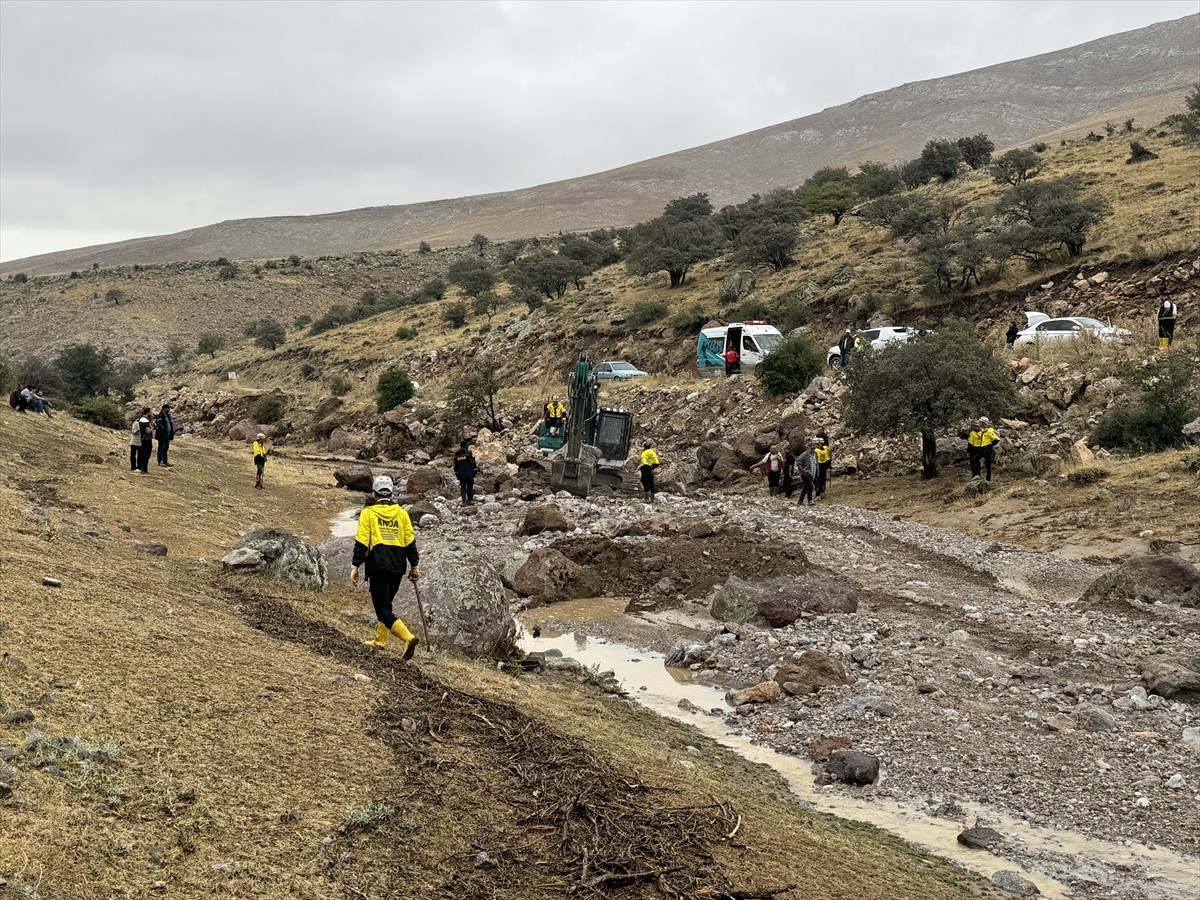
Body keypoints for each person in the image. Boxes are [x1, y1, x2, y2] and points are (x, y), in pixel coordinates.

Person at [351, 475, 420, 658]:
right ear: (391, 493)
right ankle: (380, 640)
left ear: (374, 494)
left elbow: (362, 541)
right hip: (398, 565)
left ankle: (408, 638)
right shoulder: (402, 513)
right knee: (386, 605)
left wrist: (355, 566)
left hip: (378, 565)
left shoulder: (368, 513)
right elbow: (410, 542)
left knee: (381, 610)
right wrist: (414, 566)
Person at [453, 439, 478, 505]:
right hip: (469, 473)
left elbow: (455, 465)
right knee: (470, 487)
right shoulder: (468, 453)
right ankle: (470, 500)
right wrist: (475, 471)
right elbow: (472, 462)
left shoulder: (456, 454)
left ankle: (463, 501)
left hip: (461, 474)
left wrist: (457, 474)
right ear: (466, 446)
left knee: (463, 487)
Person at [797, 442, 819, 507]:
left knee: (806, 487)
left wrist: (817, 473)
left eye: (814, 448)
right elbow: (798, 462)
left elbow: (816, 464)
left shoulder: (815, 454)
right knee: (810, 486)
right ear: (809, 448)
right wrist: (803, 471)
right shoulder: (804, 455)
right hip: (806, 474)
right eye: (812, 448)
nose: (813, 450)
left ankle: (800, 500)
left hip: (812, 474)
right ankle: (810, 500)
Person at [814, 433, 832, 500]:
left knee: (818, 480)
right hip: (825, 464)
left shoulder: (816, 450)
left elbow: (815, 459)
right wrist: (829, 465)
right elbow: (829, 457)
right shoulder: (826, 448)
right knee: (823, 479)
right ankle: (823, 492)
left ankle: (818, 493)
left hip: (818, 466)